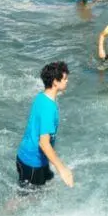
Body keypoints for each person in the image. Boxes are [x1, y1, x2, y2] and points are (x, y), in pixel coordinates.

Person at [16, 60, 73, 188]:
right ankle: (4, 209)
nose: (67, 81)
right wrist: (62, 169)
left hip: (28, 156)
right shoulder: (49, 108)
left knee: (46, 186)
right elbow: (44, 143)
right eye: (64, 79)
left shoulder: (41, 96)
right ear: (55, 82)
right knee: (25, 198)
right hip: (32, 162)